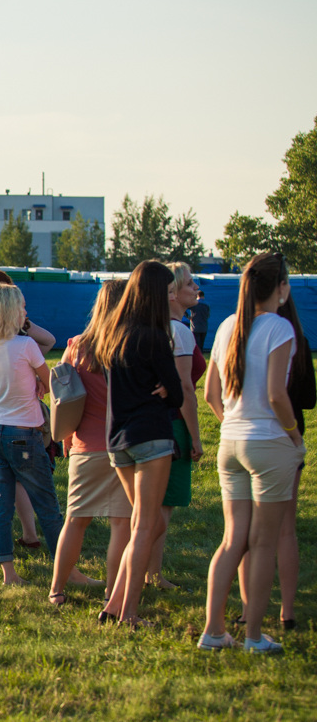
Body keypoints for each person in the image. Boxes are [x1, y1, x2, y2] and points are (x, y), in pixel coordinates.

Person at [199, 253, 304, 654]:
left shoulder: (227, 326)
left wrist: (234, 421)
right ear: (280, 287)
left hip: (231, 442)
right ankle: (254, 636)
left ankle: (213, 630)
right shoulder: (280, 327)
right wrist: (295, 438)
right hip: (269, 444)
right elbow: (278, 395)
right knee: (262, 543)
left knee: (231, 540)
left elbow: (210, 393)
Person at [94, 261, 183, 626]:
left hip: (118, 440)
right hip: (150, 437)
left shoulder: (114, 334)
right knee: (147, 525)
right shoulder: (155, 337)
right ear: (155, 296)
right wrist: (166, 390)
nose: (172, 297)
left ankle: (114, 604)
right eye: (168, 291)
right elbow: (176, 394)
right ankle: (129, 613)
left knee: (144, 525)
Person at [0, 283, 64, 584]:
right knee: (47, 506)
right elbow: (53, 385)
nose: (25, 311)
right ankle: (67, 567)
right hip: (25, 432)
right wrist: (40, 382)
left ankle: (9, 573)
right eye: (21, 306)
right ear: (9, 311)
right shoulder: (27, 345)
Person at [47, 281, 132, 606]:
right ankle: (114, 592)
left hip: (83, 445)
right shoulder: (127, 346)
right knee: (121, 524)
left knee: (75, 520)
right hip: (122, 444)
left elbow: (64, 398)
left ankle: (56, 589)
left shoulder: (76, 346)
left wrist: (66, 438)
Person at [235, 292, 313, 631]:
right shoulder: (293, 336)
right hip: (283, 436)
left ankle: (246, 608)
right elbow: (308, 398)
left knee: (246, 529)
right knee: (284, 530)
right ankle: (287, 611)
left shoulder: (239, 335)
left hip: (245, 434)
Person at [147, 262, 205, 590]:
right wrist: (196, 437)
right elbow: (186, 390)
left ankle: (148, 569)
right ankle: (152, 572)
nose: (196, 288)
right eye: (189, 283)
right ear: (172, 296)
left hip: (156, 422)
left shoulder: (160, 328)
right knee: (164, 504)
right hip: (175, 424)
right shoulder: (178, 332)